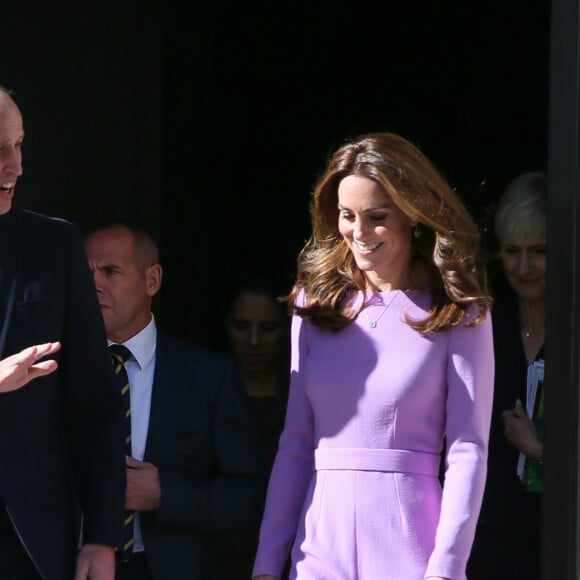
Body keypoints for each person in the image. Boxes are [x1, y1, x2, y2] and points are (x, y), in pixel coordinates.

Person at [252, 132, 494, 580]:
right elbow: (296, 443)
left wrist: (446, 567)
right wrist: (267, 562)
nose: (358, 233)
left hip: (411, 545)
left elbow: (467, 449)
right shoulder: (313, 305)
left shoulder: (457, 311)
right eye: (347, 216)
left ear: (412, 215)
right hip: (319, 545)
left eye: (376, 217)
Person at [83, 220, 265, 579]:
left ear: (152, 280)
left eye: (110, 271)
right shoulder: (56, 371)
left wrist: (166, 493)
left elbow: (249, 498)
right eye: (85, 273)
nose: (94, 285)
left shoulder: (208, 376)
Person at [0, 86, 126, 579]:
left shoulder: (53, 244)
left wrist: (100, 535)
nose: (16, 166)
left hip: (31, 545)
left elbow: (95, 403)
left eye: (19, 144)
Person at [467, 172, 546, 580]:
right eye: (512, 250)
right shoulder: (484, 329)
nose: (524, 266)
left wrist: (543, 453)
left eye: (539, 251)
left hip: (560, 541)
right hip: (488, 542)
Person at [214, 276, 291, 579]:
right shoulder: (204, 395)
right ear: (226, 326)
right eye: (242, 327)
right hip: (218, 557)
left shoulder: (303, 397)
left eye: (268, 328)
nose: (254, 341)